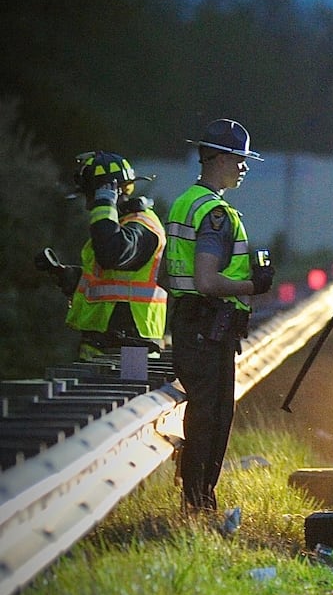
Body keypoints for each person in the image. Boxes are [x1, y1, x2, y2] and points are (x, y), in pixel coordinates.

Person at [164, 118, 275, 515]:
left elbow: (178, 277)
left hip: (190, 325)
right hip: (207, 329)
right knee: (212, 418)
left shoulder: (185, 201)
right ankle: (199, 504)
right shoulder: (215, 213)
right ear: (219, 159)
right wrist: (254, 285)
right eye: (239, 159)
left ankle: (195, 500)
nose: (244, 167)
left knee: (204, 413)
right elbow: (207, 280)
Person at [34, 152, 168, 362]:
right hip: (106, 350)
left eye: (91, 197)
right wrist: (69, 276)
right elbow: (110, 280)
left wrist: (105, 204)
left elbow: (111, 254)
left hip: (130, 353)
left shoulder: (142, 227)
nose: (89, 206)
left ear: (112, 191)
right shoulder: (118, 226)